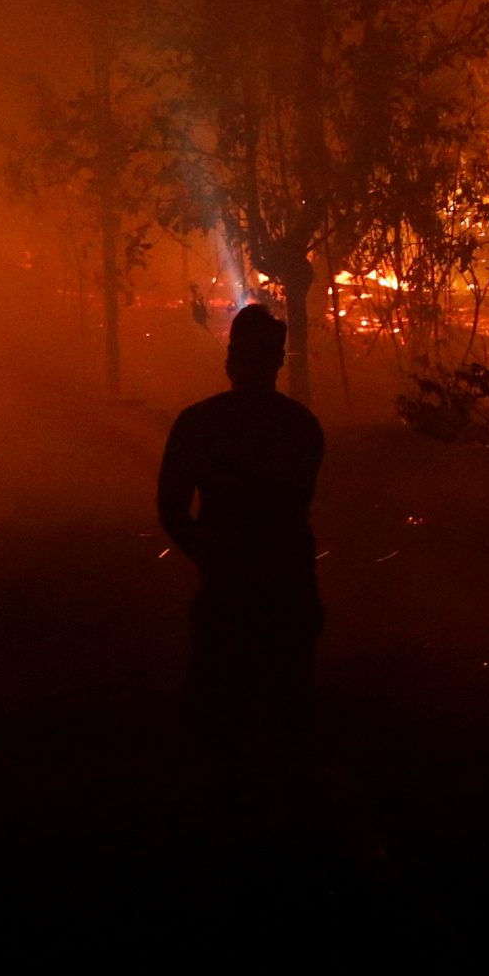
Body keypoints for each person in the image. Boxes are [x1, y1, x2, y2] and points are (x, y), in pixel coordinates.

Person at [156, 302, 327, 772]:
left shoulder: (199, 423)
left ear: (231, 360)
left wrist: (210, 555)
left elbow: (171, 508)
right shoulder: (300, 426)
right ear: (277, 360)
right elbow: (297, 503)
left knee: (218, 716)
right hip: (289, 589)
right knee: (288, 716)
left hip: (229, 592)